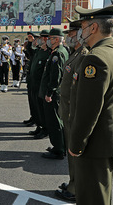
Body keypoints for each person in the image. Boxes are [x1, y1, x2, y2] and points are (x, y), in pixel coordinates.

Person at [69, 4, 113, 205]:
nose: (81, 31)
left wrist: (76, 144)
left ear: (93, 28)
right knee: (101, 193)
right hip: (109, 139)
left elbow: (88, 110)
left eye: (83, 26)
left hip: (94, 144)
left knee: (91, 198)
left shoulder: (94, 59)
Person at [55, 19, 88, 202]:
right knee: (71, 153)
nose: (68, 37)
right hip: (67, 112)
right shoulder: (74, 53)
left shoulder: (83, 55)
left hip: (73, 114)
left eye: (71, 34)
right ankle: (72, 181)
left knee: (75, 154)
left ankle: (76, 187)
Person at [39, 28, 69, 160]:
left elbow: (55, 76)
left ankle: (58, 150)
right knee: (57, 120)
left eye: (51, 38)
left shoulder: (58, 54)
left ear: (57, 39)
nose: (49, 41)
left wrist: (49, 93)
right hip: (57, 92)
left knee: (54, 121)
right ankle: (60, 145)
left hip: (54, 94)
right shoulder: (59, 52)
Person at [28, 30, 50, 139]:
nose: (38, 40)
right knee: (37, 109)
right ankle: (39, 126)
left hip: (41, 86)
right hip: (34, 85)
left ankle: (45, 129)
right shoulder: (39, 51)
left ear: (45, 39)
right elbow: (30, 52)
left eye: (40, 38)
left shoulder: (49, 53)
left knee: (42, 109)